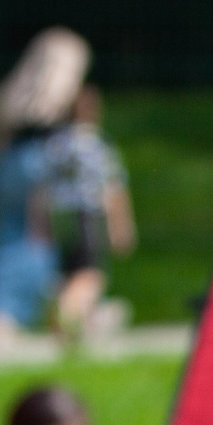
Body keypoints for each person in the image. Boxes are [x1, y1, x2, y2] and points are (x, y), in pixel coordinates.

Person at [0, 29, 89, 345]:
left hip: (7, 166)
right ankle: (19, 314)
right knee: (36, 242)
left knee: (5, 239)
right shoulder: (55, 93)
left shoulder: (14, 90)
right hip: (38, 168)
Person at [45, 84, 139, 341]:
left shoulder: (55, 144)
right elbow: (113, 187)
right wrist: (121, 226)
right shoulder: (97, 144)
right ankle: (66, 309)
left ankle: (68, 331)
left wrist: (39, 224)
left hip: (59, 213)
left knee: (67, 271)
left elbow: (42, 187)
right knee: (91, 274)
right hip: (87, 212)